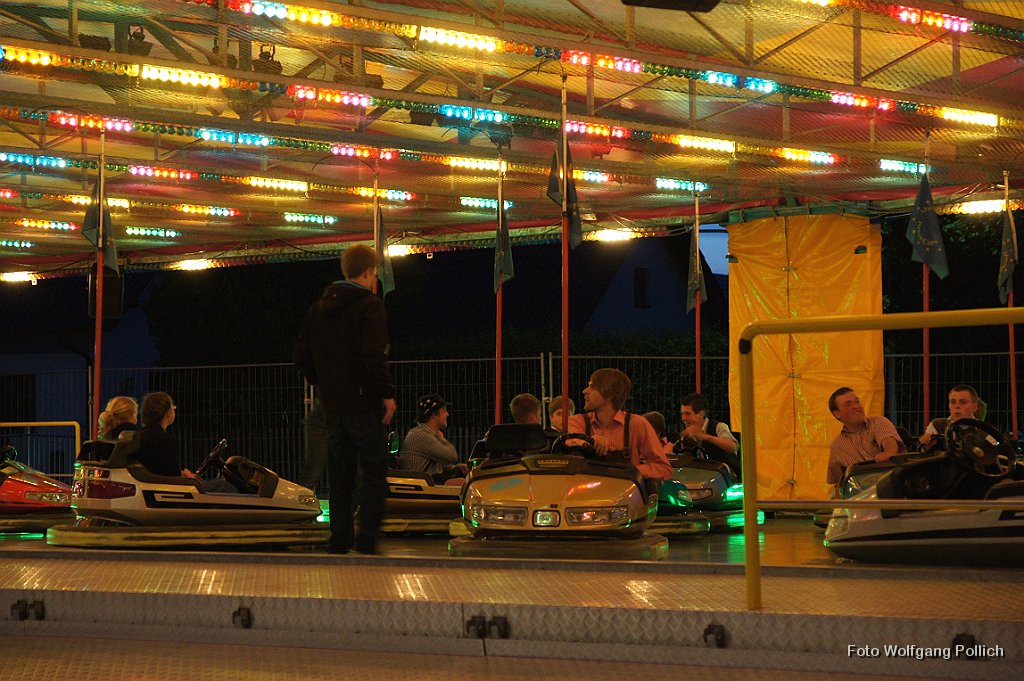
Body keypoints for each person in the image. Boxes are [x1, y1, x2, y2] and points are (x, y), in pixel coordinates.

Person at [294, 244, 397, 555]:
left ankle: (339, 539)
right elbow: (373, 355)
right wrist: (387, 394)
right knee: (373, 472)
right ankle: (367, 539)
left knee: (341, 474)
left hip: (332, 404)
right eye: (374, 274)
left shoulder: (317, 309)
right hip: (364, 402)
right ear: (367, 272)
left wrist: (324, 383)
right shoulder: (369, 306)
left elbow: (302, 356)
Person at [567, 368, 672, 480]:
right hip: (585, 489)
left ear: (609, 393)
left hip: (623, 490)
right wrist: (590, 441)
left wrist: (632, 471)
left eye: (592, 386)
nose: (585, 391)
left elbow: (663, 468)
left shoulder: (637, 424)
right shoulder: (577, 421)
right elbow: (569, 441)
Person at [827, 387, 904, 485]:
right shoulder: (836, 447)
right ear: (837, 414)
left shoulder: (878, 422)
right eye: (848, 404)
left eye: (857, 402)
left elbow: (888, 440)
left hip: (895, 484)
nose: (856, 406)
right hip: (864, 492)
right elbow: (836, 484)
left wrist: (889, 452)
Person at [400, 394, 467, 483]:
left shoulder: (427, 434)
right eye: (444, 411)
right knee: (462, 483)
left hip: (427, 482)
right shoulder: (420, 435)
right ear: (434, 415)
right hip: (420, 485)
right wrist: (442, 440)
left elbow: (437, 465)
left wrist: (456, 468)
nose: (447, 414)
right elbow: (452, 456)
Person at [135, 391, 198, 479]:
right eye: (173, 408)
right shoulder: (164, 440)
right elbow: (173, 477)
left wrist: (180, 473)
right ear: (167, 413)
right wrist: (188, 478)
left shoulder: (140, 436)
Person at [679, 393, 741, 477]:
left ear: (701, 414)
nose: (683, 418)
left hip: (725, 477)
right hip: (700, 478)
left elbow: (733, 447)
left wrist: (706, 437)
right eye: (682, 414)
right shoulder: (686, 436)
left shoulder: (718, 427)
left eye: (687, 414)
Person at [920, 384, 982, 449]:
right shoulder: (938, 426)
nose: (956, 406)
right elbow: (924, 451)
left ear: (974, 407)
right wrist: (926, 445)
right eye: (953, 402)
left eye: (963, 402)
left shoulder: (983, 432)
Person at [297, 396, 328, 490]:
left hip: (323, 418)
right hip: (325, 419)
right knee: (312, 469)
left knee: (312, 469)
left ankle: (302, 495)